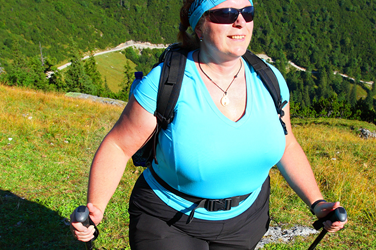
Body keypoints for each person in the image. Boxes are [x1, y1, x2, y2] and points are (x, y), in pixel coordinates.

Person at [71, 0, 346, 249]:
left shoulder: (269, 79)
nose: (240, 21)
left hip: (246, 219)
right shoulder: (165, 82)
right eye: (225, 14)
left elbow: (286, 144)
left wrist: (317, 202)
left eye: (246, 12)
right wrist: (96, 207)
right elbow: (119, 145)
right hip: (168, 218)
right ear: (200, 28)